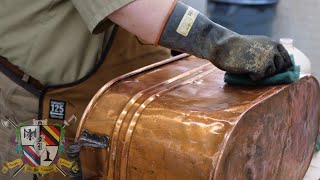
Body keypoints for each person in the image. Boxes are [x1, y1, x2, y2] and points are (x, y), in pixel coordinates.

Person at [0, 0, 292, 179]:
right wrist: (221, 43)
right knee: (48, 172)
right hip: (43, 106)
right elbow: (135, 8)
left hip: (111, 100)